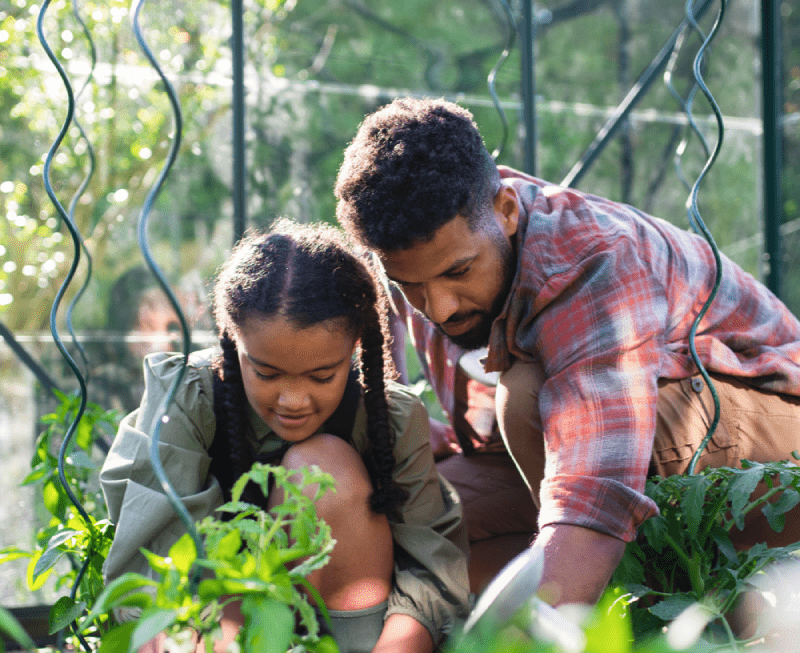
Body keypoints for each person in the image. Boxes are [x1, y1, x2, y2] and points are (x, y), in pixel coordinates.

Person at [333, 96, 800, 608]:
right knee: (413, 526)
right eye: (411, 285)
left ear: (506, 211)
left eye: (458, 272)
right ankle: (608, 600)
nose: (438, 308)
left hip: (769, 431)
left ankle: (626, 612)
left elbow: (594, 488)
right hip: (613, 442)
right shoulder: (409, 241)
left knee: (527, 395)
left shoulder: (591, 262)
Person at [99, 219, 470, 653]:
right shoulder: (188, 396)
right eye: (266, 372)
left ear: (352, 349)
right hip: (222, 628)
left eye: (321, 376)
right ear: (233, 341)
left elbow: (434, 568)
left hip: (354, 635)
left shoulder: (388, 415)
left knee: (317, 469)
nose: (293, 400)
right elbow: (155, 575)